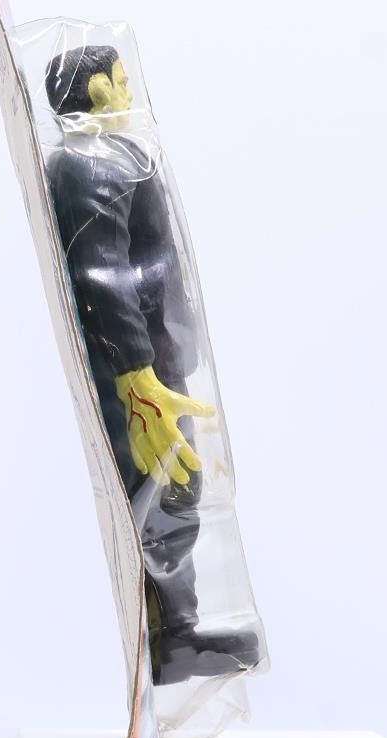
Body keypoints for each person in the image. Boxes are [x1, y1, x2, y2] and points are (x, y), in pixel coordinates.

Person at [44, 44, 260, 685]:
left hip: (159, 369)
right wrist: (137, 378)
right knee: (161, 494)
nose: (131, 90)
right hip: (142, 382)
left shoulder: (116, 157)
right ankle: (167, 634)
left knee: (174, 494)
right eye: (121, 80)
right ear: (99, 92)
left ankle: (174, 629)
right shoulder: (87, 165)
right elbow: (103, 274)